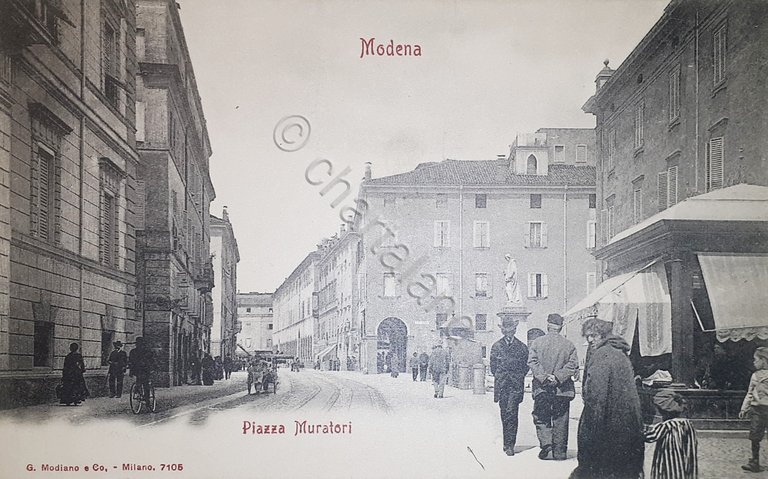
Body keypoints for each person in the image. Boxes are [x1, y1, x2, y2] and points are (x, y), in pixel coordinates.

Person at [570, 317, 644, 479]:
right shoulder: (620, 354)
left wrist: (591, 430)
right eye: (587, 336)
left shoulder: (601, 356)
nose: (589, 340)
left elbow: (597, 397)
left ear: (604, 335)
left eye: (594, 336)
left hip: (606, 424)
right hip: (627, 424)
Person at [528, 313, 579, 461]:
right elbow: (572, 365)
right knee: (561, 419)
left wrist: (544, 377)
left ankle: (546, 445)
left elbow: (532, 362)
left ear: (548, 325)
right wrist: (557, 377)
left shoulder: (537, 343)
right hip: (562, 389)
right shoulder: (569, 345)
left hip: (542, 388)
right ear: (561, 327)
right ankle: (560, 452)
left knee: (541, 416)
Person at [490, 317, 529, 456]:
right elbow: (493, 367)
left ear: (515, 330)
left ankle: (510, 445)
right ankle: (506, 442)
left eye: (511, 330)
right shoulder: (496, 346)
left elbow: (526, 367)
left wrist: (516, 377)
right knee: (504, 414)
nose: (509, 333)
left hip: (515, 385)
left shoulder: (522, 347)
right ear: (502, 331)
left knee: (512, 412)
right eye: (506, 330)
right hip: (502, 385)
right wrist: (501, 376)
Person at [644, 390, 698, 479]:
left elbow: (651, 436)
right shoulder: (688, 424)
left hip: (669, 465)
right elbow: (691, 446)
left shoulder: (666, 426)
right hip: (683, 464)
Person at [739, 346, 768, 473]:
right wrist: (744, 408)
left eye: (755, 359)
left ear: (763, 360)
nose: (753, 362)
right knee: (755, 435)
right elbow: (749, 393)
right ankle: (755, 461)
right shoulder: (754, 376)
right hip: (757, 409)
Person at [128, 337, 153, 403]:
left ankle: (147, 400)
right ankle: (138, 391)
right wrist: (130, 369)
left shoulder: (147, 351)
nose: (139, 345)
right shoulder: (133, 352)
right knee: (139, 381)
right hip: (136, 370)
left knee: (145, 383)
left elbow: (151, 360)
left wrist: (151, 368)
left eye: (141, 344)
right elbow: (130, 361)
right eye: (138, 344)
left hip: (145, 370)